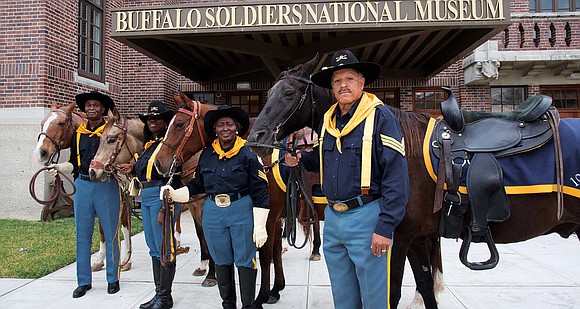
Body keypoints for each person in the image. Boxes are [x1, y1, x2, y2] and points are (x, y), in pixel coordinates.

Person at [284, 50, 410, 309]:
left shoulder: (381, 117)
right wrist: (301, 159)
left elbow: (396, 176)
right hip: (332, 219)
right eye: (337, 80)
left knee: (375, 299)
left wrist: (386, 226)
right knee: (343, 297)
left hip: (366, 217)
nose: (343, 85)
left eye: (349, 78)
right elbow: (324, 159)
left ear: (361, 83)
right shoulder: (328, 121)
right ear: (331, 87)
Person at [160, 106, 270, 309]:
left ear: (236, 128)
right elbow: (197, 185)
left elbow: (260, 191)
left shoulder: (249, 153)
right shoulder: (208, 154)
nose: (225, 128)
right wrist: (175, 194)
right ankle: (228, 304)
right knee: (220, 259)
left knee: (245, 260)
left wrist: (260, 225)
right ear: (215, 130)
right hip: (213, 214)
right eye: (221, 125)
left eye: (229, 124)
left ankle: (248, 305)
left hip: (241, 210)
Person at [48, 91, 122, 298]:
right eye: (88, 105)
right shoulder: (78, 132)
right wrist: (63, 166)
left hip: (106, 185)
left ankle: (112, 278)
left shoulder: (110, 131)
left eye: (95, 105)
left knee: (111, 232)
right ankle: (83, 281)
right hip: (83, 185)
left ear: (102, 109)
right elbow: (74, 160)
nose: (91, 108)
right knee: (82, 234)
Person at [117, 101, 178, 309]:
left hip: (162, 196)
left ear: (165, 122)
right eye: (149, 118)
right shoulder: (148, 146)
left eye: (157, 118)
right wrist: (133, 168)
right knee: (153, 246)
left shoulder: (169, 144)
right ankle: (159, 294)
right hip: (146, 195)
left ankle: (165, 296)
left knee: (164, 246)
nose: (152, 121)